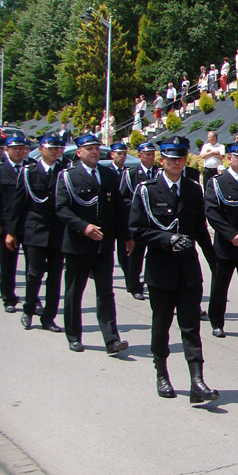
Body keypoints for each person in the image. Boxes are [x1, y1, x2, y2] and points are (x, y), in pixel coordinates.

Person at [129, 136, 219, 403]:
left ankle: (197, 381)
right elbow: (137, 230)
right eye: (171, 158)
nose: (177, 162)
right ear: (162, 160)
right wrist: (167, 239)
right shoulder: (147, 190)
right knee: (162, 325)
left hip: (188, 270)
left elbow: (200, 229)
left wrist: (215, 261)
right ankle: (162, 373)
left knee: (191, 327)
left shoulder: (192, 189)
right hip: (161, 270)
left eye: (181, 158)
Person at [55, 133, 133, 355]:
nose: (94, 152)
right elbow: (62, 208)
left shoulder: (108, 174)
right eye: (89, 148)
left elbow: (117, 208)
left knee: (106, 293)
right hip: (78, 244)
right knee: (74, 291)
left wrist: (127, 236)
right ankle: (74, 335)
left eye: (97, 148)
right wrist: (83, 227)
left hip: (103, 244)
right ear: (79, 152)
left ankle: (111, 339)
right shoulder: (69, 176)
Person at [7, 132, 66, 332]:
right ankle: (29, 309)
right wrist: (12, 232)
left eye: (58, 149)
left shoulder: (65, 171)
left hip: (58, 232)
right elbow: (18, 204)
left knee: (55, 277)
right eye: (51, 149)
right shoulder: (29, 172)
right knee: (34, 274)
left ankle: (49, 317)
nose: (55, 152)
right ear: (41, 149)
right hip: (35, 230)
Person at [204, 142, 238, 338]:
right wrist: (231, 234)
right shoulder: (217, 182)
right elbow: (211, 211)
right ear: (229, 159)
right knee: (219, 287)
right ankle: (217, 322)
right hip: (225, 246)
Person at [0, 135, 26, 313]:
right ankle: (8, 297)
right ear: (7, 150)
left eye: (20, 148)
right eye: (14, 148)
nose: (18, 151)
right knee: (8, 264)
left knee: (34, 267)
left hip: (28, 224)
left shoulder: (30, 168)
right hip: (7, 225)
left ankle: (32, 300)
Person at [121, 141, 160, 300]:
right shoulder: (131, 174)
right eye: (147, 154)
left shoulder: (159, 172)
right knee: (136, 255)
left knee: (155, 256)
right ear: (140, 156)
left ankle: (154, 283)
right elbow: (123, 198)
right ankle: (134, 286)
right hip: (139, 220)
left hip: (155, 222)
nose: (150, 157)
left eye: (152, 154)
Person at [109, 143, 131, 281]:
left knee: (125, 251)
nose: (122, 157)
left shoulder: (128, 172)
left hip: (123, 217)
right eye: (119, 154)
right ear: (112, 155)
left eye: (124, 154)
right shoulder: (106, 171)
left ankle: (129, 277)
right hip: (109, 217)